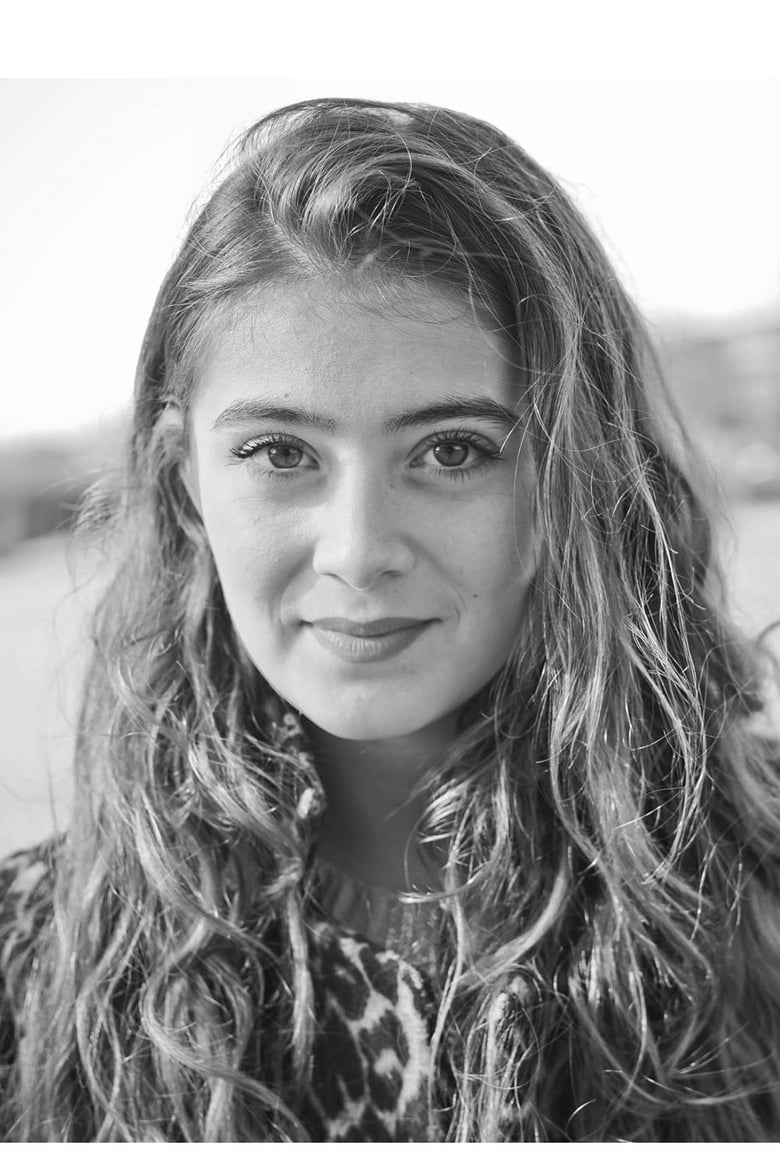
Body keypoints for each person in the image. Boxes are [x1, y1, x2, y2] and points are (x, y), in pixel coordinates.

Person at [1, 97, 779, 1143]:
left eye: (453, 450)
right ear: (186, 488)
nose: (359, 549)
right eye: (280, 454)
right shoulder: (29, 963)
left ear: (574, 476)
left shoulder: (758, 889)